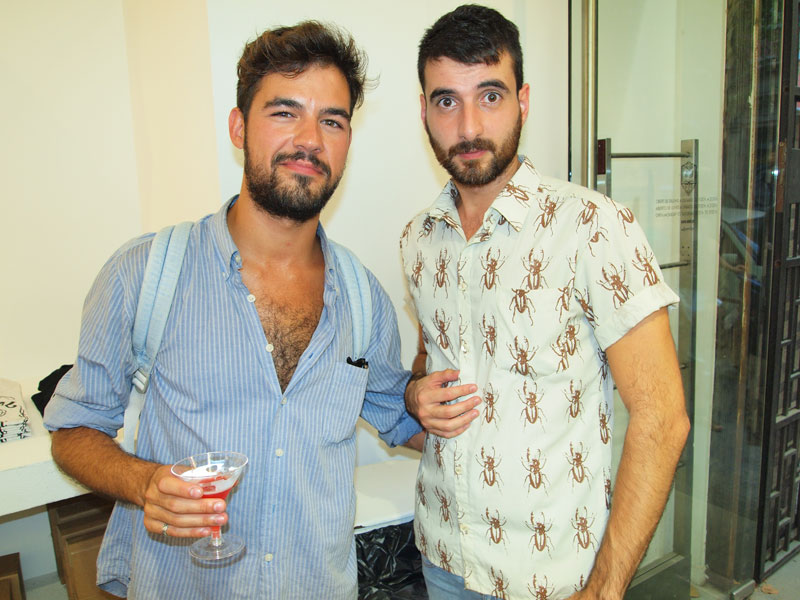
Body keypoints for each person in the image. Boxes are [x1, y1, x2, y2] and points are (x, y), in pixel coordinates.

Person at [44, 21, 423, 600]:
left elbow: (403, 417)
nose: (309, 139)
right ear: (239, 127)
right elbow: (73, 429)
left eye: (332, 120)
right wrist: (145, 482)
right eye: (285, 112)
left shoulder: (364, 297)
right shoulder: (145, 272)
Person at [401, 5, 690, 600]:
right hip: (442, 555)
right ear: (424, 111)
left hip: (552, 577)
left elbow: (663, 420)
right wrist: (414, 395)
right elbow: (430, 367)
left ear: (524, 101)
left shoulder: (593, 227)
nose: (469, 126)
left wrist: (605, 588)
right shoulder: (418, 239)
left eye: (490, 95)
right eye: (447, 101)